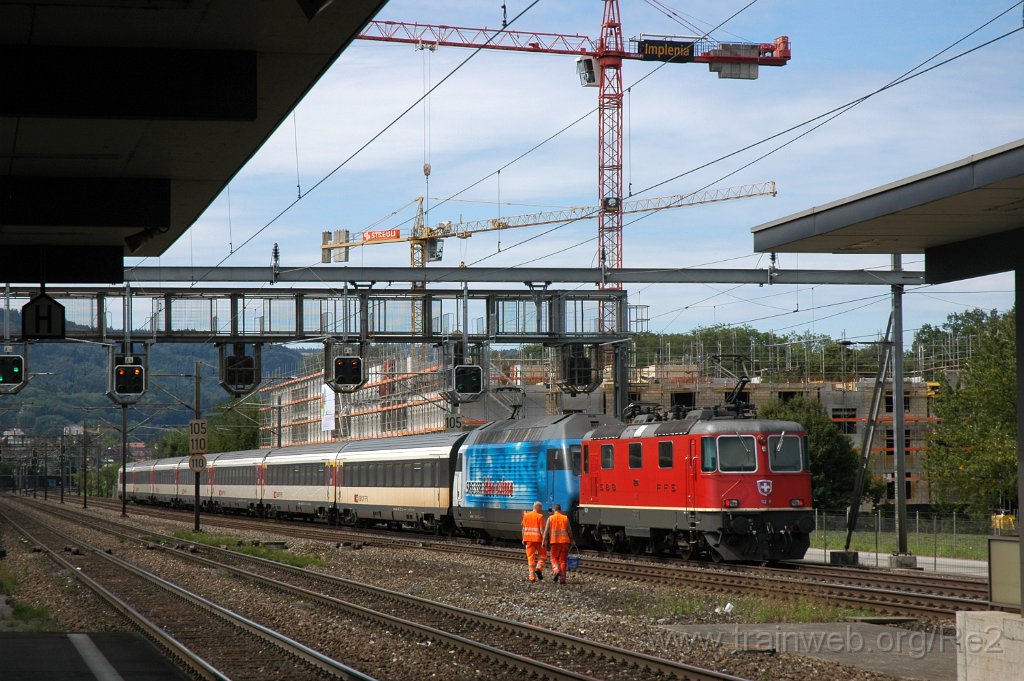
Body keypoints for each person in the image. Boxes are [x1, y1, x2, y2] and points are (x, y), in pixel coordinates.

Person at [543, 502, 573, 584]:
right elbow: (570, 531)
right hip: (564, 542)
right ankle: (562, 580)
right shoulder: (565, 518)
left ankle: (556, 570)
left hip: (554, 542)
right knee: (563, 561)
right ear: (560, 510)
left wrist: (543, 541)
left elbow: (546, 531)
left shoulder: (550, 518)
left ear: (554, 510)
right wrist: (572, 540)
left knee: (553, 558)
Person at [521, 501, 547, 582]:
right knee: (543, 555)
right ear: (538, 507)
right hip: (538, 540)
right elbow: (542, 530)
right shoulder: (540, 516)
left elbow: (523, 529)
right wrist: (544, 540)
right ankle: (538, 568)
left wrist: (523, 538)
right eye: (541, 508)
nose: (541, 510)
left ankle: (532, 577)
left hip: (528, 540)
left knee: (530, 558)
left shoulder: (526, 516)